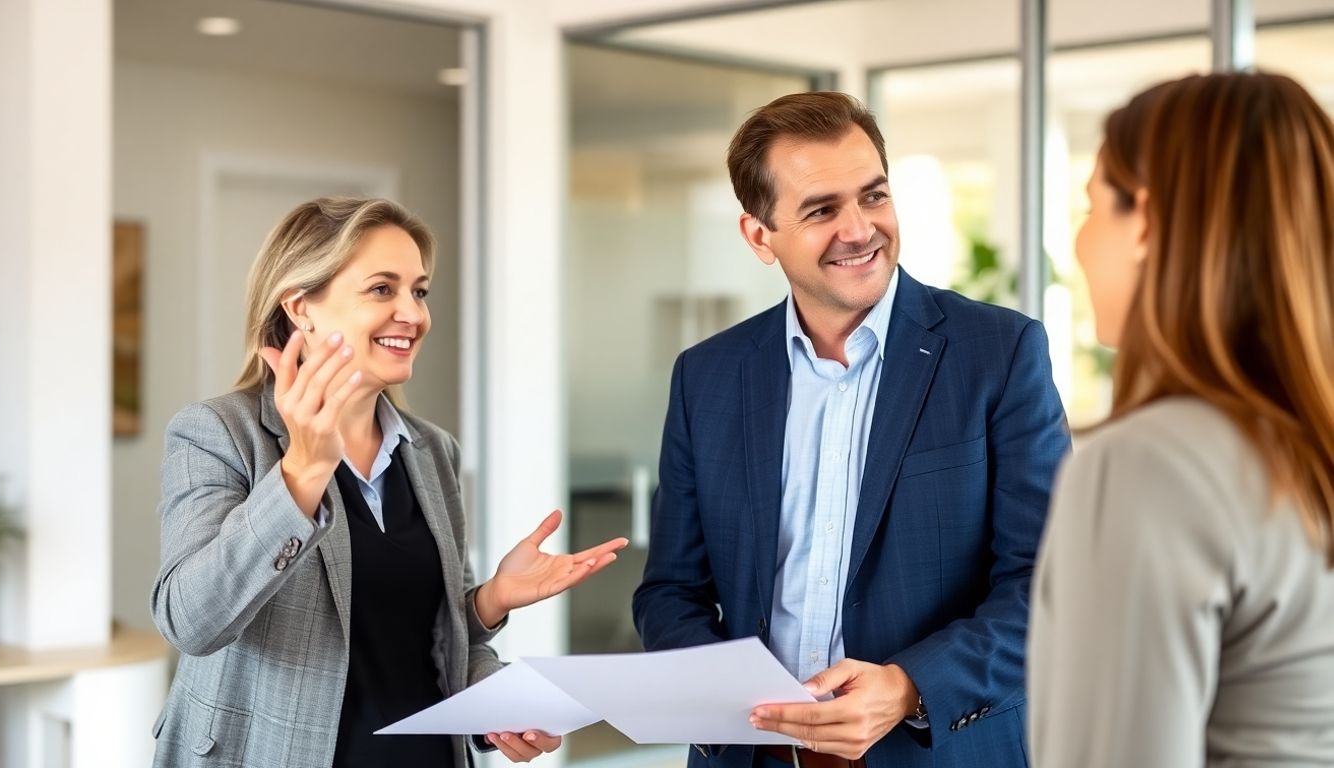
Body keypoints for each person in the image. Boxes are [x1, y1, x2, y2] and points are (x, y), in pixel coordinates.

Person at [632, 91, 1070, 768]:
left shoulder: (999, 354)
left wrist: (908, 687)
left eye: (873, 196)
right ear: (759, 236)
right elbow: (671, 591)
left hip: (938, 750)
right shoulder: (708, 377)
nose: (860, 228)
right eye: (821, 209)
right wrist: (731, 706)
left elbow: (1048, 584)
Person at [150, 197, 628, 768]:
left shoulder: (431, 452)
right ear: (302, 307)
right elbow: (191, 621)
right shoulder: (219, 434)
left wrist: (493, 632)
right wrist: (301, 474)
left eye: (419, 291)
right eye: (383, 289)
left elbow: (434, 641)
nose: (414, 313)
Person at [1028, 71, 1334, 767]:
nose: (1078, 245)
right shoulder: (1304, 445)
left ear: (1150, 220)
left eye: (1091, 209)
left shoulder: (1148, 465)